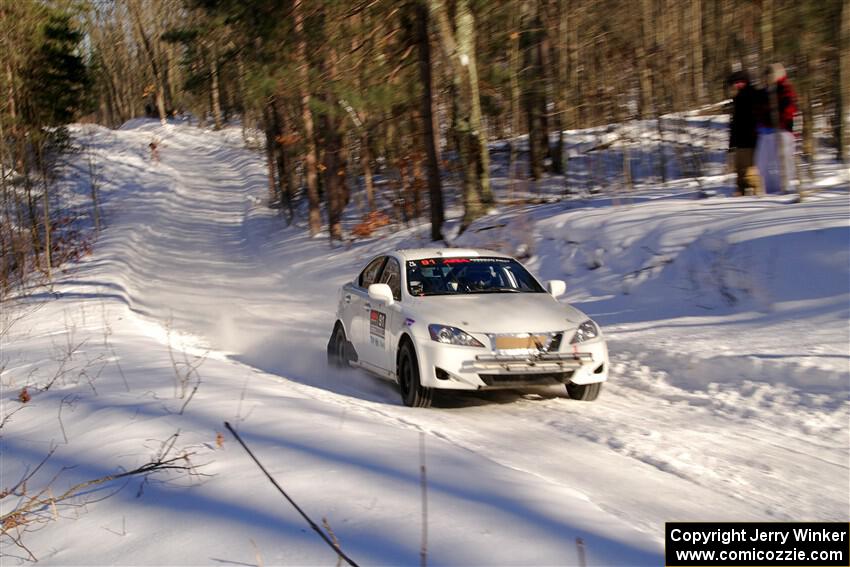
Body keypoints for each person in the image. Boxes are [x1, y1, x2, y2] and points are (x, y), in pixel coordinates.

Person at [755, 63, 797, 194]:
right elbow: (758, 110)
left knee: (783, 162)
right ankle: (767, 190)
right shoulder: (765, 91)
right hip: (765, 133)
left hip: (782, 132)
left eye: (770, 75)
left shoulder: (784, 89)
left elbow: (788, 110)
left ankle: (785, 187)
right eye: (766, 75)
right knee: (762, 163)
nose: (767, 78)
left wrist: (777, 119)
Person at [727, 70, 762, 196]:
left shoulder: (754, 94)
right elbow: (735, 123)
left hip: (751, 138)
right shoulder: (737, 98)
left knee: (750, 168)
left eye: (738, 83)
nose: (735, 86)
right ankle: (741, 190)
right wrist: (731, 144)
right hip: (740, 139)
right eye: (734, 84)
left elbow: (756, 117)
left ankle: (755, 190)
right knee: (740, 167)